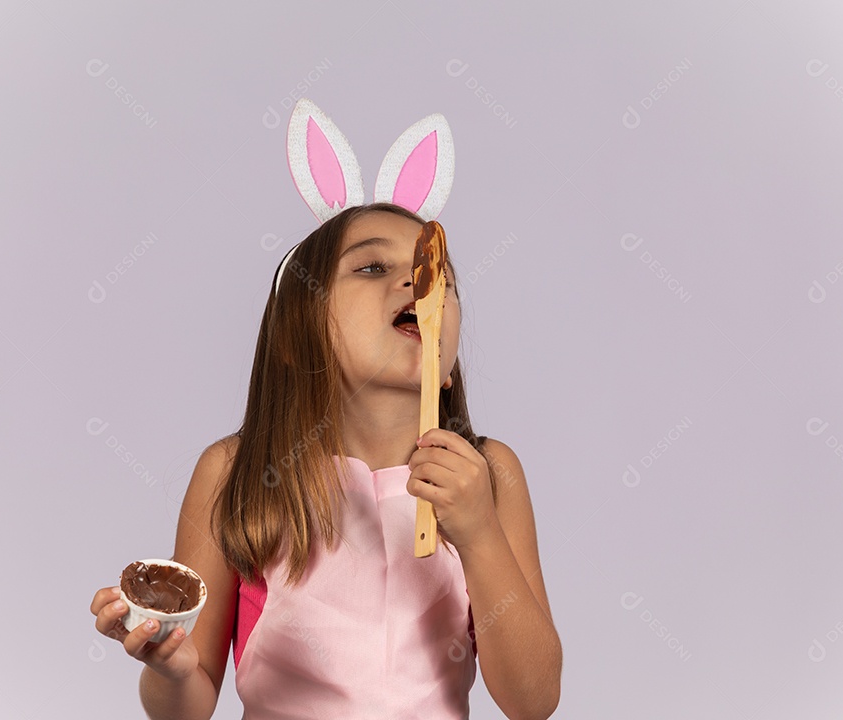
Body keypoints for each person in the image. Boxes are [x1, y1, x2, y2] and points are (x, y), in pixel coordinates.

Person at [90, 203, 561, 718]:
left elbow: (533, 701)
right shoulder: (234, 473)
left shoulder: (488, 474)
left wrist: (480, 534)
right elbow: (187, 708)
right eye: (372, 267)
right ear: (297, 334)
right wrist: (171, 668)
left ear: (448, 365)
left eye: (440, 278)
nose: (418, 281)